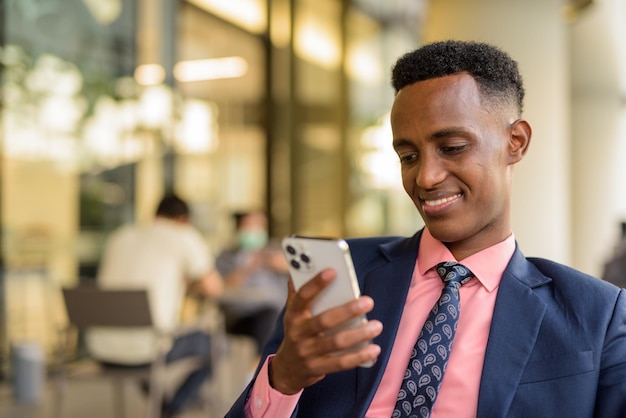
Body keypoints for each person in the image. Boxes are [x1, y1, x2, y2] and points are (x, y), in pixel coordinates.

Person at [225, 40, 626, 417]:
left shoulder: (594, 315)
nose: (426, 177)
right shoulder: (342, 275)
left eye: (452, 148)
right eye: (408, 156)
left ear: (515, 142)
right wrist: (283, 380)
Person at [86, 194, 224, 418]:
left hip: (101, 348)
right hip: (147, 350)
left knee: (145, 340)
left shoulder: (120, 236)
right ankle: (172, 408)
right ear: (183, 219)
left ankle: (162, 407)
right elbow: (213, 288)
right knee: (216, 344)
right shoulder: (183, 235)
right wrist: (187, 282)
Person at [216, 211, 289, 355]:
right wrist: (250, 266)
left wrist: (284, 265)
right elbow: (221, 287)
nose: (254, 230)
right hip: (243, 315)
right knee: (269, 318)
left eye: (259, 226)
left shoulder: (276, 252)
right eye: (249, 226)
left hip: (277, 312)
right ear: (239, 228)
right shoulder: (226, 257)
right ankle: (260, 365)